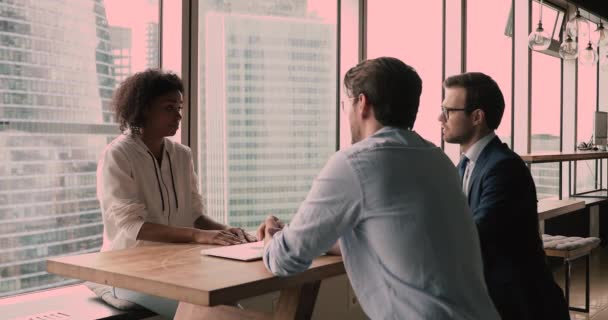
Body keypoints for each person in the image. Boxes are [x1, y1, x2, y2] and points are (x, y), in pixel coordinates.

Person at [256, 57, 500, 320]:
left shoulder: (354, 163)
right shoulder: (437, 159)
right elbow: (399, 235)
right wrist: (320, 237)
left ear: (362, 103)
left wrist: (271, 236)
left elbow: (285, 259)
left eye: (345, 104)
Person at [94, 69, 255, 318]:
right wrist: (201, 236)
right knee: (221, 314)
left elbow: (194, 215)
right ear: (144, 108)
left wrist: (229, 233)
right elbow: (132, 226)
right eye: (169, 108)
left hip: (178, 268)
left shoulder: (182, 154)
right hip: (130, 273)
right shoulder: (118, 154)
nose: (178, 115)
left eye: (179, 107)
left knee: (230, 309)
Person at [439, 72, 570, 320]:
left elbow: (475, 235)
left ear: (477, 116)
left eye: (448, 111)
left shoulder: (503, 168)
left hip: (522, 306)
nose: (440, 117)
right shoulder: (465, 166)